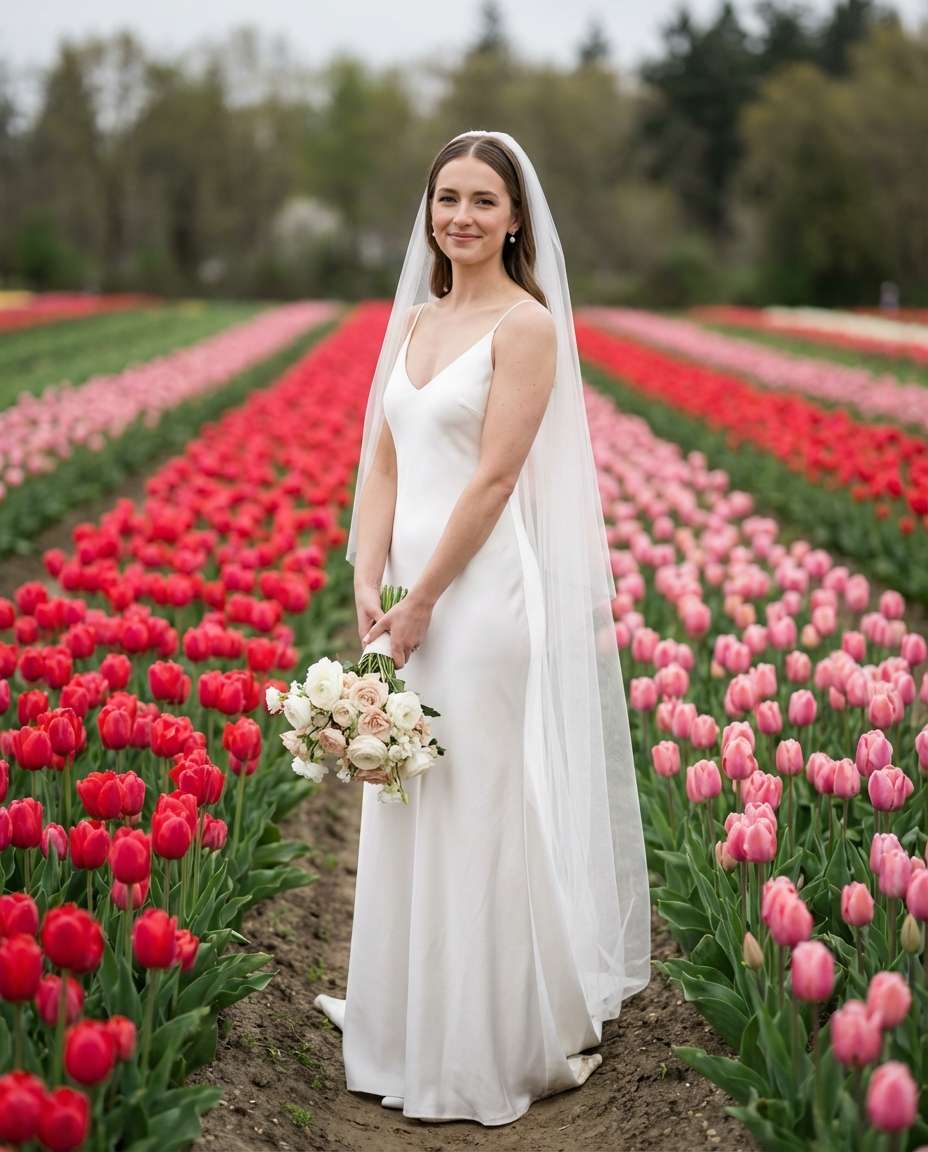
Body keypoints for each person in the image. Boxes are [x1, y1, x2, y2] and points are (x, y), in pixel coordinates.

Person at [314, 129, 651, 1126]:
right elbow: (381, 460)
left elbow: (495, 477)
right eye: (446, 197)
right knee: (400, 793)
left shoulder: (526, 327)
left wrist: (425, 599)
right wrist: (368, 575)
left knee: (472, 800)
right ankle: (398, 1027)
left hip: (480, 598)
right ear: (429, 210)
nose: (460, 216)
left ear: (514, 220)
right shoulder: (414, 322)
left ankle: (481, 1043)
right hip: (404, 595)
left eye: (481, 201)